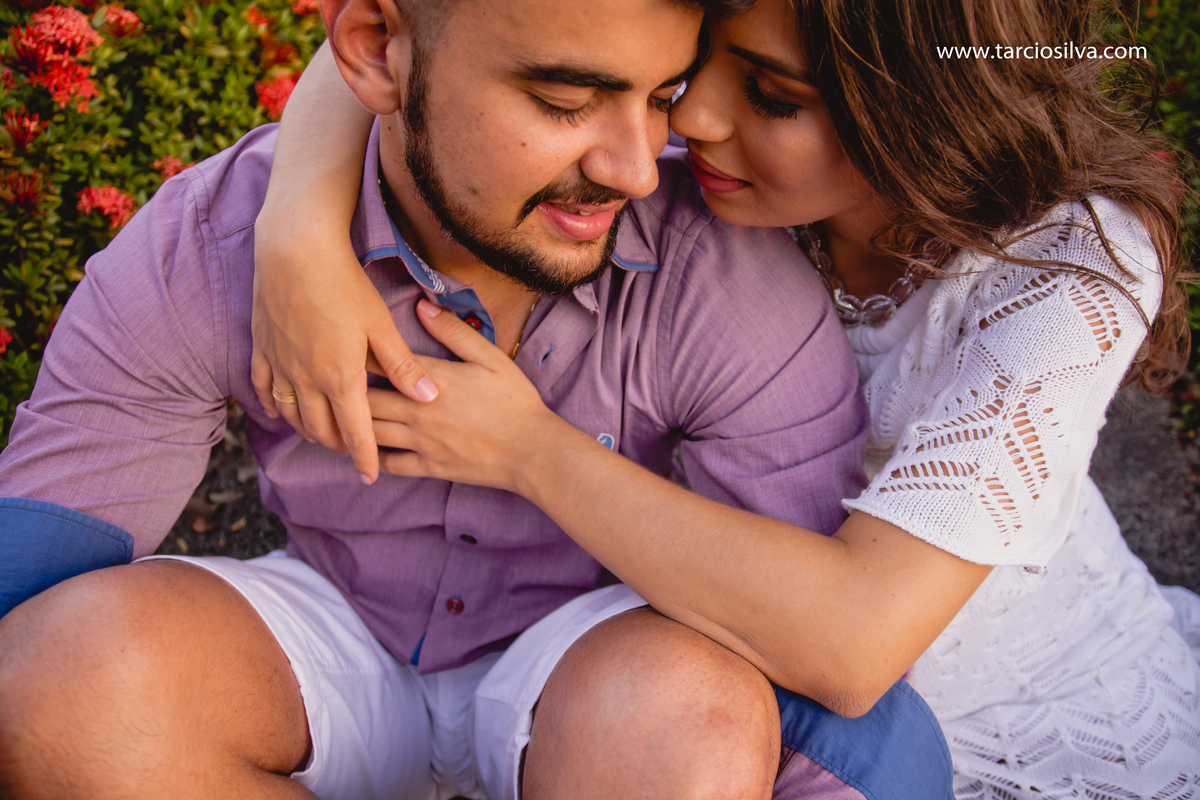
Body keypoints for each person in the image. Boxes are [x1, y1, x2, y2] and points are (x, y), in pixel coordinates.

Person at [0, 0, 955, 798]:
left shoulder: (721, 276)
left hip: (602, 650)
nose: (634, 165)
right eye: (564, 99)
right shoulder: (217, 244)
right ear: (377, 51)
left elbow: (813, 665)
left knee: (691, 726)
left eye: (660, 96)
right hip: (337, 623)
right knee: (55, 689)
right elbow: (32, 565)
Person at [247, 0, 1200, 796]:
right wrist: (295, 223)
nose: (688, 118)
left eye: (772, 97)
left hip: (990, 721)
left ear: (919, 109)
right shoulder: (702, 193)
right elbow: (433, 38)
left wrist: (526, 450)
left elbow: (855, 642)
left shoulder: (1066, 265)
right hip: (694, 697)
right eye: (696, 65)